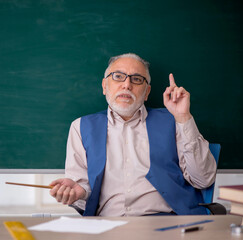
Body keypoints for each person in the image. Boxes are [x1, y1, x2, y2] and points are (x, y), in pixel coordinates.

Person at [49, 53, 217, 216]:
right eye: (118, 76)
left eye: (136, 79)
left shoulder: (174, 121)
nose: (127, 85)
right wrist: (78, 194)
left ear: (147, 92)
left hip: (168, 224)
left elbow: (203, 180)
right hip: (107, 225)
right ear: (104, 86)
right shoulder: (80, 127)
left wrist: (183, 118)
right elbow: (82, 196)